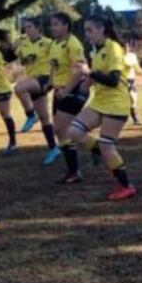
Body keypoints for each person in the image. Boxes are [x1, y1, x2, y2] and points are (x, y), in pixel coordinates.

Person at [65, 15, 137, 201]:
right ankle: (100, 151)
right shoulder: (96, 50)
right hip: (100, 101)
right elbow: (99, 75)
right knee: (73, 131)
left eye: (90, 30)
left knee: (107, 146)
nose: (86, 34)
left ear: (101, 29)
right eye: (85, 30)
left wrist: (89, 73)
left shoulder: (113, 47)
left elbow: (113, 80)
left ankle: (126, 186)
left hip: (116, 103)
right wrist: (88, 81)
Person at [48, 12, 91, 174]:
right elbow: (53, 65)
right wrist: (50, 83)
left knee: (62, 129)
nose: (53, 28)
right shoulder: (55, 44)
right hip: (60, 91)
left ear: (66, 26)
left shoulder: (73, 44)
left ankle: (76, 170)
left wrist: (66, 90)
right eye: (52, 24)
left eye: (56, 24)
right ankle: (93, 151)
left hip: (74, 89)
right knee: (61, 131)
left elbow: (80, 71)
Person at [13, 18, 60, 164]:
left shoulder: (48, 43)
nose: (26, 30)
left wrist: (53, 81)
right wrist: (15, 47)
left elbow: (56, 62)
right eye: (25, 28)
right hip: (33, 80)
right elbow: (18, 61)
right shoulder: (24, 44)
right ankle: (53, 148)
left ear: (38, 28)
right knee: (45, 118)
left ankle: (30, 115)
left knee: (18, 88)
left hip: (45, 78)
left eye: (29, 27)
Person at [124, 42, 142, 126]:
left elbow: (137, 67)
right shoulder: (118, 57)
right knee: (126, 100)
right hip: (123, 80)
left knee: (133, 99)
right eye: (124, 47)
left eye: (127, 47)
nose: (125, 48)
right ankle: (135, 118)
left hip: (132, 80)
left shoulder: (132, 56)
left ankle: (134, 118)